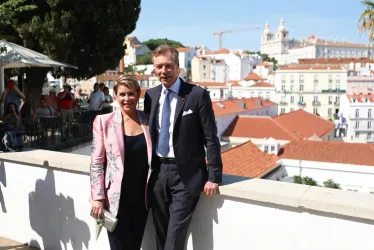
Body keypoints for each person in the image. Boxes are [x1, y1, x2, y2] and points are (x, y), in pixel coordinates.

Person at [144, 45, 223, 250]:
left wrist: (214, 176)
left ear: (178, 68)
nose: (163, 71)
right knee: (160, 237)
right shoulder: (151, 96)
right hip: (158, 174)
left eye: (168, 66)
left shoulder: (197, 95)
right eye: (158, 67)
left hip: (186, 177)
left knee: (174, 240)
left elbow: (211, 139)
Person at [90, 75, 153, 250]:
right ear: (116, 96)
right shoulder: (103, 122)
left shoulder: (148, 121)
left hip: (142, 199)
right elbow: (96, 163)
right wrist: (98, 198)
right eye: (122, 94)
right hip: (115, 200)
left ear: (138, 95)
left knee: (134, 246)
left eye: (131, 94)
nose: (127, 99)